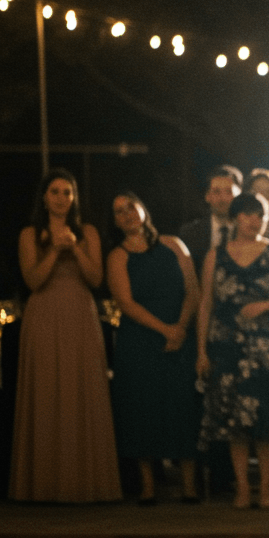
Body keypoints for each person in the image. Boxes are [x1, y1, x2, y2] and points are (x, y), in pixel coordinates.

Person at [9, 168, 121, 503]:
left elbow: (96, 277)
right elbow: (33, 281)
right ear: (44, 197)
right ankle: (43, 485)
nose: (61, 198)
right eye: (55, 192)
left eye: (67, 193)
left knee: (81, 389)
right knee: (46, 391)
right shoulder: (30, 233)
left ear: (74, 199)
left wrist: (76, 249)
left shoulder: (87, 232)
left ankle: (86, 484)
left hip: (80, 315)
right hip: (43, 315)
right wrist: (55, 250)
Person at [197, 191, 269, 509]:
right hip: (227, 345)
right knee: (234, 422)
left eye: (261, 215)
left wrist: (264, 305)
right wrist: (201, 350)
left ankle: (266, 488)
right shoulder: (216, 255)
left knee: (266, 421)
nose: (255, 220)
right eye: (249, 214)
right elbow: (205, 304)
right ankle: (242, 487)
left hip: (267, 348)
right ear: (236, 217)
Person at [106, 192, 201, 505]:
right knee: (140, 409)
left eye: (130, 206)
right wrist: (164, 329)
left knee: (182, 406)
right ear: (115, 222)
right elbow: (125, 303)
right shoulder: (117, 256)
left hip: (180, 334)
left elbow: (193, 290)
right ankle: (148, 486)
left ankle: (189, 485)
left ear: (143, 207)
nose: (126, 214)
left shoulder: (174, 245)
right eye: (119, 212)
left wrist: (181, 328)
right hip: (140, 340)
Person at [179, 165, 243, 277]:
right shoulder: (190, 233)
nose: (222, 198)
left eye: (229, 192)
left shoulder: (248, 231)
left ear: (240, 196)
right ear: (207, 196)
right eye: (216, 192)